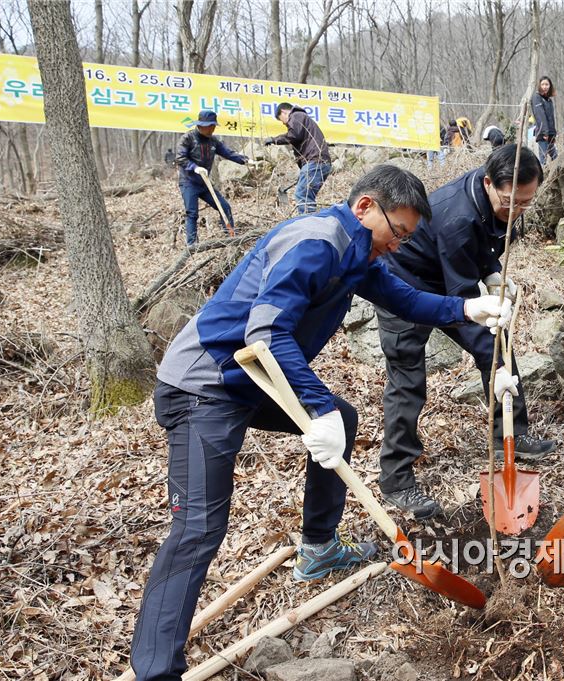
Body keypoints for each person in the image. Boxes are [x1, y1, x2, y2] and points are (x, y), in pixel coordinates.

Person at [128, 165, 513, 681]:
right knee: (198, 527)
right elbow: (265, 332)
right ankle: (157, 670)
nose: (397, 246)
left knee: (345, 419)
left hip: (249, 379)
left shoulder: (356, 251)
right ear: (365, 208)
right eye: (396, 232)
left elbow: (405, 299)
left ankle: (318, 548)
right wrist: (318, 405)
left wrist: (468, 307)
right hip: (204, 386)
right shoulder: (318, 243)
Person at [376, 146, 557, 519]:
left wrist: (491, 270)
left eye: (526, 203)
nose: (516, 210)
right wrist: (488, 329)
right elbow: (460, 298)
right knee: (408, 378)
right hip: (406, 281)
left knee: (497, 347)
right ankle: (396, 479)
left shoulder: (493, 193)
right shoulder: (457, 216)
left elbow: (484, 243)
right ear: (489, 183)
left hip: (445, 273)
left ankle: (509, 434)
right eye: (510, 202)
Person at [175, 110, 248, 246]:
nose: (212, 129)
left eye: (213, 126)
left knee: (224, 207)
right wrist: (194, 167)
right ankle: (192, 246)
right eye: (209, 126)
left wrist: (246, 160)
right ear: (201, 125)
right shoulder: (188, 138)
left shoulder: (213, 141)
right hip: (189, 182)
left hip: (205, 183)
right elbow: (180, 158)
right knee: (192, 213)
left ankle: (230, 239)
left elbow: (228, 153)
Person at [264, 102, 332, 214]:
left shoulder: (296, 116)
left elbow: (294, 135)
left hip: (315, 160)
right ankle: (312, 222)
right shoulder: (303, 119)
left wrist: (274, 139)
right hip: (320, 162)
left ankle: (308, 225)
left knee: (302, 195)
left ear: (284, 112)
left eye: (282, 120)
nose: (284, 123)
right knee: (307, 196)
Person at [531, 76, 557, 164]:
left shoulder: (549, 100)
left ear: (550, 86)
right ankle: (543, 176)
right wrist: (545, 132)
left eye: (547, 84)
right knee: (543, 158)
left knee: (555, 157)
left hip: (550, 133)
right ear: (539, 86)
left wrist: (553, 133)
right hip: (543, 133)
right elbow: (540, 115)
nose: (545, 86)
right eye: (542, 84)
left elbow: (551, 118)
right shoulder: (536, 97)